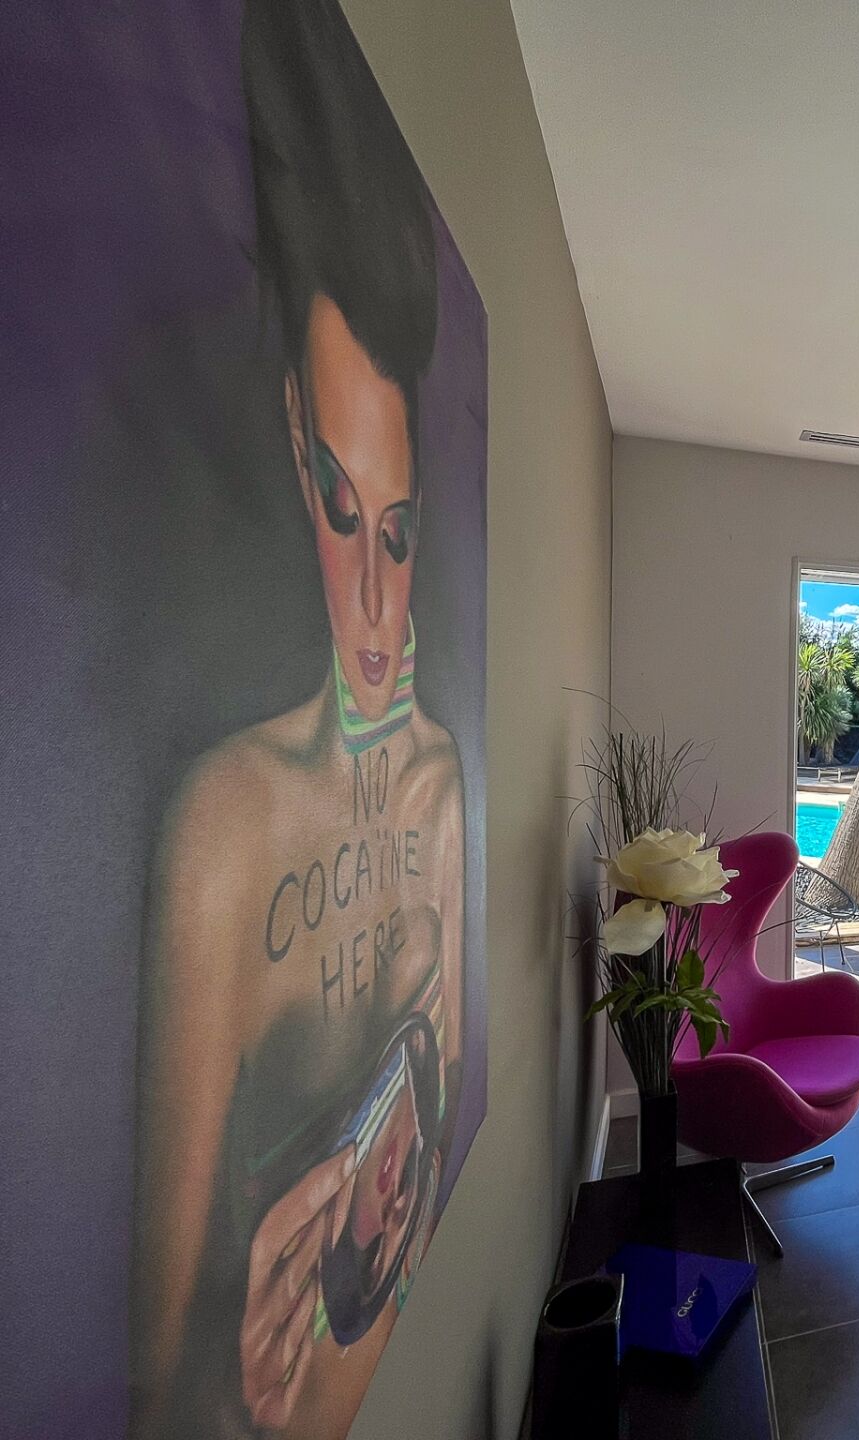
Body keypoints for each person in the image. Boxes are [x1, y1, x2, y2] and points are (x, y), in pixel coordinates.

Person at [131, 3, 465, 1435]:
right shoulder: (228, 832)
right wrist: (237, 1385)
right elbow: (156, 1396)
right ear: (290, 445)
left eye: (399, 531)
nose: (376, 607)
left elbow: (435, 1145)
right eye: (341, 510)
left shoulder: (443, 788)